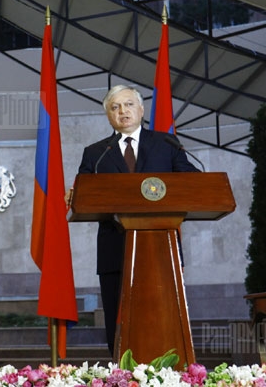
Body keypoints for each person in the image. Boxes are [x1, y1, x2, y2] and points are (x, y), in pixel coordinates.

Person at [75, 84, 198, 355]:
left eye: (129, 104)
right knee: (118, 320)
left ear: (141, 110)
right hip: (114, 250)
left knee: (165, 315)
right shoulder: (96, 153)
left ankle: (174, 374)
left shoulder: (167, 144)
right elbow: (82, 194)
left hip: (161, 250)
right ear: (108, 115)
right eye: (115, 107)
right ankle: (120, 374)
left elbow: (190, 184)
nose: (123, 111)